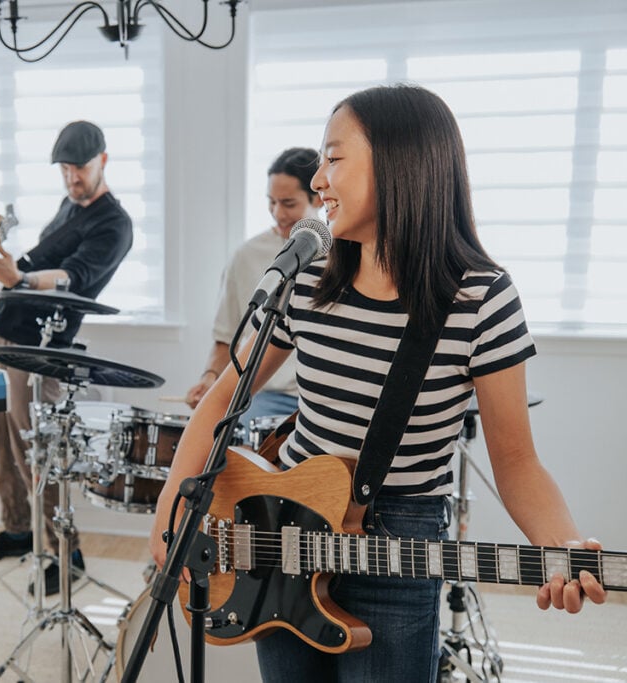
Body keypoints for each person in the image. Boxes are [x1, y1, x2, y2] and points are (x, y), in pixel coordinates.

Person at [150, 84, 607, 682]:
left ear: (399, 164)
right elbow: (222, 401)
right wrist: (170, 507)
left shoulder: (480, 298)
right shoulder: (309, 274)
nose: (317, 181)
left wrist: (561, 545)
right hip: (281, 525)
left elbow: (517, 461)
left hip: (397, 542)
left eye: (333, 158)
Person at [0, 121, 133, 596]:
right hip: (4, 336)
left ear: (103, 160)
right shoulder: (67, 207)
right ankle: (18, 530)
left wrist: (18, 278)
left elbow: (72, 278)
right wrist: (3, 281)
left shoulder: (113, 223)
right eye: (64, 169)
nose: (71, 178)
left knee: (36, 455)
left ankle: (67, 552)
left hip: (39, 352)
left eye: (79, 167)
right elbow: (37, 262)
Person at [185, 147, 324, 430]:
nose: (277, 213)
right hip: (263, 398)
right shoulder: (246, 256)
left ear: (318, 198)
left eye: (288, 203)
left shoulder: (342, 255)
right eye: (271, 202)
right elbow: (226, 338)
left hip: (317, 399)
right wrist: (210, 377)